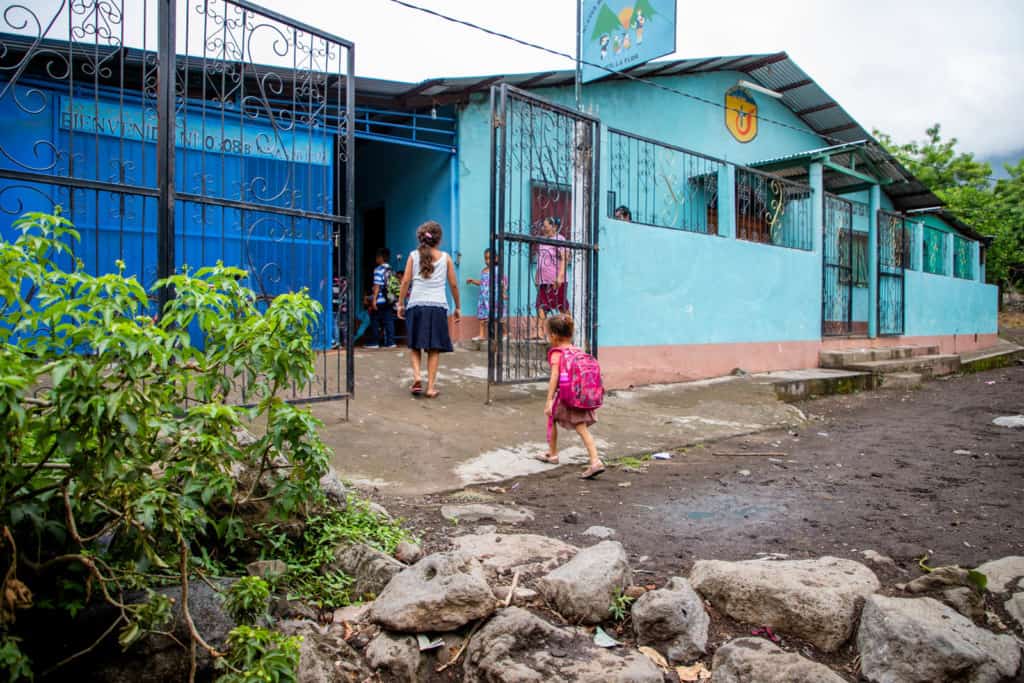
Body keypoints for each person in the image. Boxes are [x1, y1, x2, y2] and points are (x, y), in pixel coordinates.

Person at [397, 221, 460, 398]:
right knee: (434, 348)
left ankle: (417, 377)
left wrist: (401, 304)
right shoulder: (445, 258)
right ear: (438, 239)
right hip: (437, 307)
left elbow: (405, 281)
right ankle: (431, 387)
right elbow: (453, 285)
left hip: (416, 306)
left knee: (415, 345)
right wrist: (458, 307)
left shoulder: (412, 256)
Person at [537, 314, 605, 479]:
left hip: (566, 397)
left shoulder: (557, 354)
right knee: (561, 420)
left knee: (576, 426)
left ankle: (594, 461)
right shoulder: (577, 350)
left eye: (547, 334)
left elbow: (555, 378)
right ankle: (554, 453)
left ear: (553, 335)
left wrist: (549, 400)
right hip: (579, 395)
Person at [534, 216, 568, 338]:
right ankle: (540, 333)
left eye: (545, 225)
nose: (543, 228)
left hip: (556, 280)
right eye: (543, 226)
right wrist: (537, 276)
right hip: (543, 280)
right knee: (540, 305)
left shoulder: (560, 239)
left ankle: (570, 329)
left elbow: (565, 259)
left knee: (562, 306)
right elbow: (540, 260)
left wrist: (560, 276)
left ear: (553, 226)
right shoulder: (543, 241)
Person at [466, 248, 508, 341]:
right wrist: (473, 281)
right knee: (482, 316)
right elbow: (482, 282)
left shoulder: (497, 270)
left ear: (496, 258)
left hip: (495, 297)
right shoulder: (484, 270)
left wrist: (503, 293)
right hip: (483, 298)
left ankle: (505, 333)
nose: (487, 261)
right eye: (486, 258)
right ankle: (481, 335)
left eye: (490, 258)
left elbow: (503, 282)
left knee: (498, 316)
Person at [366, 247, 396, 349]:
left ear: (380, 258)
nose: (376, 259)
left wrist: (374, 300)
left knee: (374, 320)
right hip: (389, 299)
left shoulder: (378, 269)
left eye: (377, 257)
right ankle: (390, 342)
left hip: (380, 299)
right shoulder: (390, 269)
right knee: (388, 320)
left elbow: (377, 286)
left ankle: (375, 342)